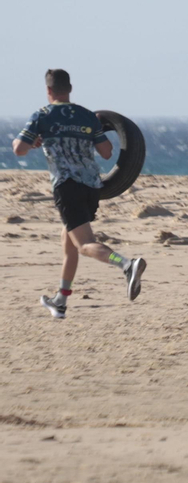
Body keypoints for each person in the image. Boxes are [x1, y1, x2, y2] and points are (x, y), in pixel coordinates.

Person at [14, 69, 147, 319]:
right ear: (70, 89)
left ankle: (126, 265)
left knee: (85, 244)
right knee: (70, 244)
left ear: (49, 90)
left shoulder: (42, 115)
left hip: (67, 185)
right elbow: (107, 152)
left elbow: (19, 150)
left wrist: (33, 142)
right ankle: (61, 300)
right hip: (91, 186)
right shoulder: (88, 116)